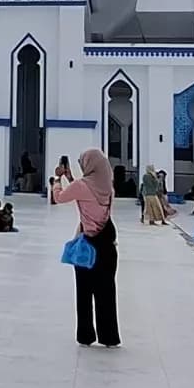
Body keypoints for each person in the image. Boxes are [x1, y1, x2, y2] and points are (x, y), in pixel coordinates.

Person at [49, 147, 120, 347]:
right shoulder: (108, 187)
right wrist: (71, 178)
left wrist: (56, 181)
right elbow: (85, 193)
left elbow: (60, 197)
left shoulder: (82, 185)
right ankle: (109, 337)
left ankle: (86, 335)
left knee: (84, 292)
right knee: (106, 292)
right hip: (107, 246)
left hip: (88, 247)